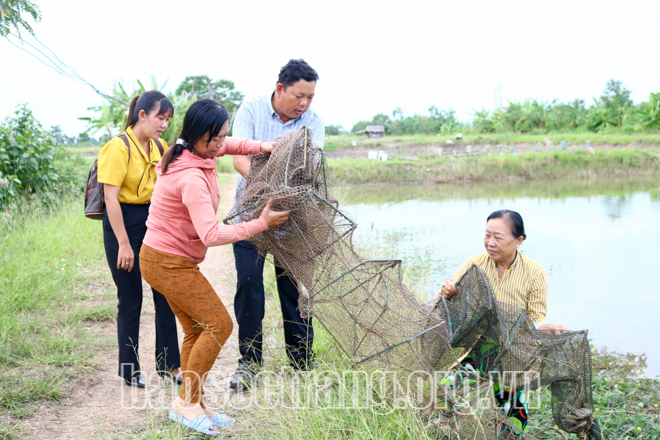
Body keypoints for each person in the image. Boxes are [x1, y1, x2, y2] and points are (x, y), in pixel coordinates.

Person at [139, 99, 290, 435]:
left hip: (162, 258)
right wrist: (260, 224)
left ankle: (194, 403)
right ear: (200, 137)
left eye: (224, 136)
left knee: (196, 330)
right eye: (217, 138)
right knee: (219, 325)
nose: (223, 144)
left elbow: (232, 145)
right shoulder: (191, 175)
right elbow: (210, 234)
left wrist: (261, 146)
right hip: (167, 263)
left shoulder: (194, 148)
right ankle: (186, 404)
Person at [229, 59, 325, 389]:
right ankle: (249, 363)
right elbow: (240, 155)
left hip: (291, 223)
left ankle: (301, 360)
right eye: (299, 96)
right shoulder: (252, 109)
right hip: (249, 216)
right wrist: (267, 191)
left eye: (310, 97)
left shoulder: (313, 122)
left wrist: (284, 198)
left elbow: (311, 169)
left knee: (296, 291)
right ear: (280, 89)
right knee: (250, 288)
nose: (305, 104)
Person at [437, 209, 567, 436]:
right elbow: (450, 298)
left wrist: (546, 328)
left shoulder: (535, 273)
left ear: (518, 241)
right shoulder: (475, 263)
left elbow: (536, 320)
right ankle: (444, 432)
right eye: (487, 235)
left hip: (512, 354)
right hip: (476, 347)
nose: (490, 243)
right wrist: (449, 293)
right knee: (447, 390)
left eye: (498, 237)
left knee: (512, 415)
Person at [98, 90, 181, 387]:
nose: (164, 124)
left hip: (153, 220)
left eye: (167, 120)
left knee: (165, 292)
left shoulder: (160, 146)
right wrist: (123, 243)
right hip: (123, 222)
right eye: (160, 117)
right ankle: (130, 368)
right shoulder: (117, 148)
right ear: (142, 115)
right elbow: (110, 198)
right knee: (131, 297)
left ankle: (170, 365)